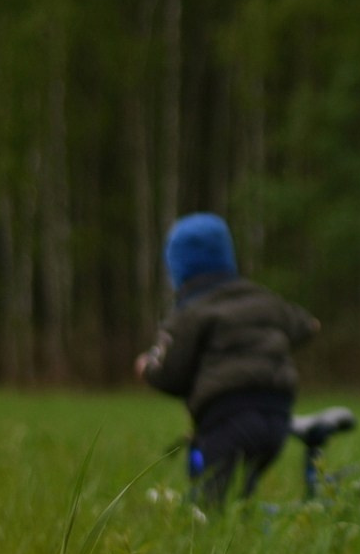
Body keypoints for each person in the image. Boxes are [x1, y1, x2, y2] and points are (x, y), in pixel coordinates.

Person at [136, 213, 320, 503]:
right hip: (278, 416)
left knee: (212, 502)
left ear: (178, 268)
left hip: (226, 420)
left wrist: (147, 367)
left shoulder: (188, 314)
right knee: (238, 494)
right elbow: (306, 325)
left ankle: (206, 522)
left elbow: (170, 374)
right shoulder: (263, 298)